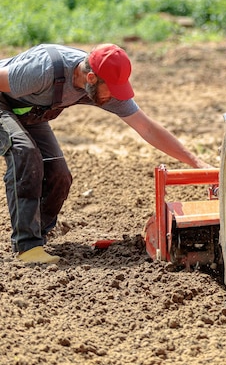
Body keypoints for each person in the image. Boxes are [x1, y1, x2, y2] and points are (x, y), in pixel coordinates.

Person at [0, 43, 210, 264]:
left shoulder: (103, 87)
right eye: (111, 88)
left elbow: (146, 127)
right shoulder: (43, 70)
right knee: (24, 152)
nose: (114, 96)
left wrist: (197, 162)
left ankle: (37, 234)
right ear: (91, 78)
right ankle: (27, 247)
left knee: (58, 175)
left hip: (31, 112)